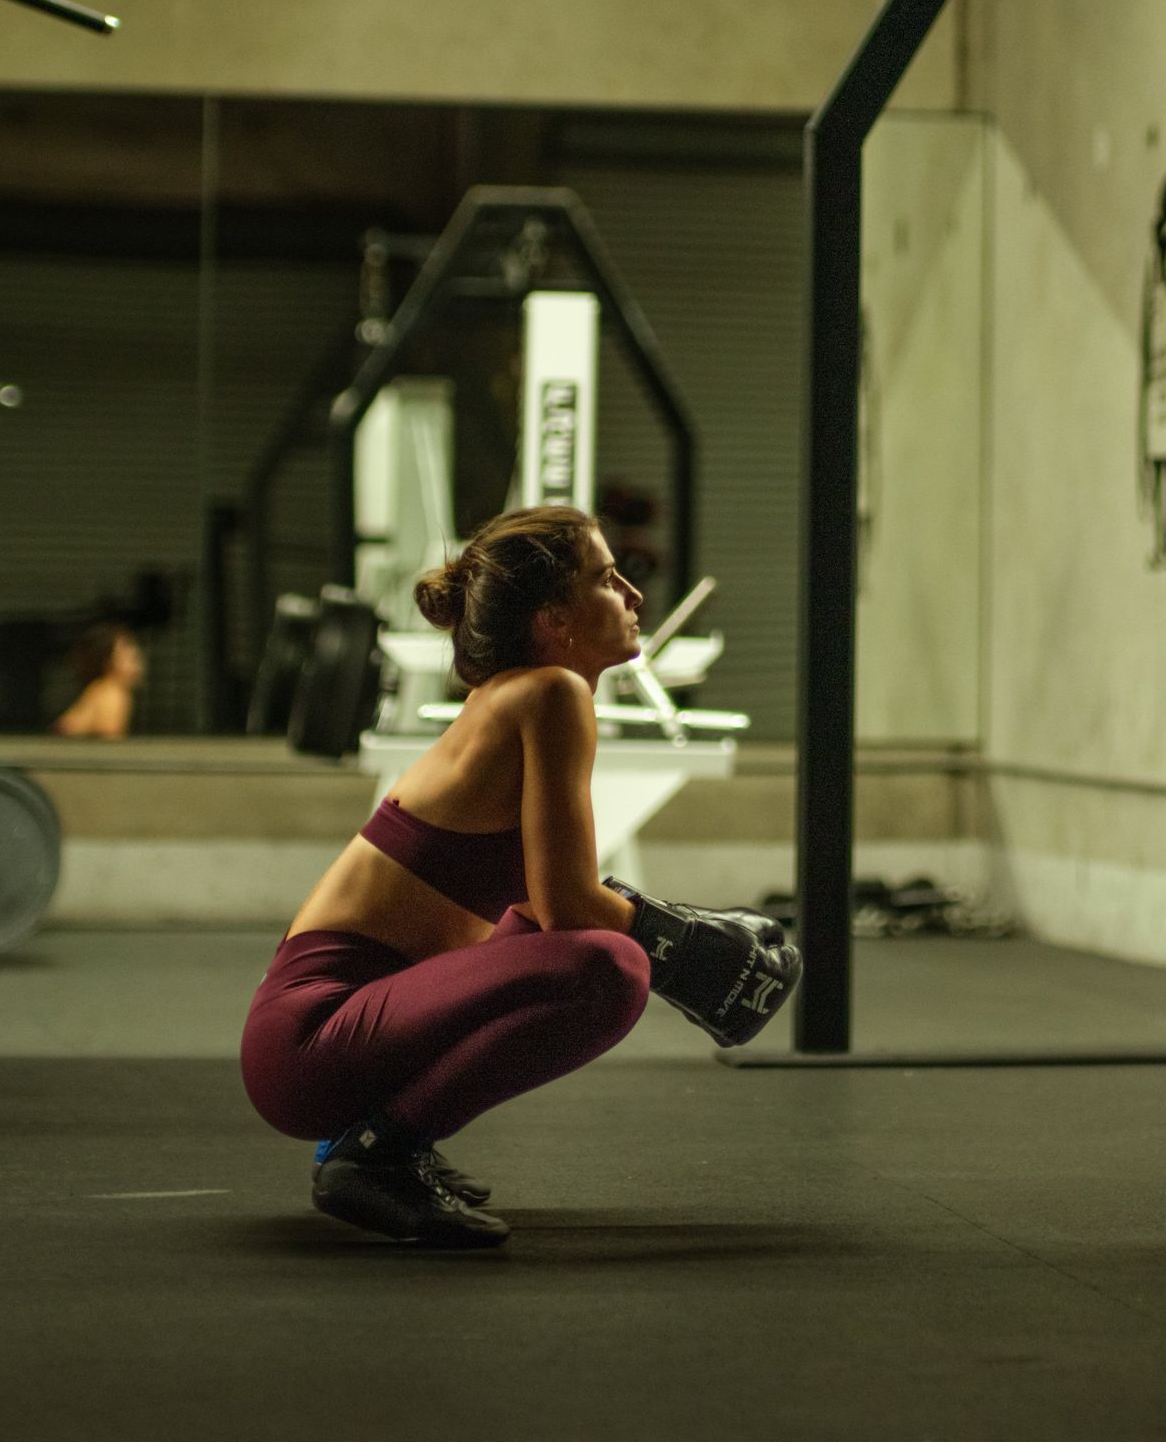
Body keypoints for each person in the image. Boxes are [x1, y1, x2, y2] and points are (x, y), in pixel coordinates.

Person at [236, 505, 799, 1248]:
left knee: (571, 941)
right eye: (606, 579)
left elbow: (543, 909)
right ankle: (376, 1156)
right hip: (312, 1045)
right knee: (610, 967)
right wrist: (688, 946)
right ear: (554, 621)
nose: (632, 594)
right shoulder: (550, 694)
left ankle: (383, 1141)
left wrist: (668, 933)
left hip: (322, 1043)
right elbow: (573, 910)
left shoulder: (515, 699)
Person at [50, 624, 145, 738]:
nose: (137, 661)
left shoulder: (100, 689)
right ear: (108, 662)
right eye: (128, 655)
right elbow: (107, 746)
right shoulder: (112, 693)